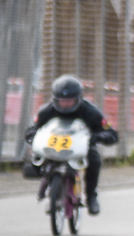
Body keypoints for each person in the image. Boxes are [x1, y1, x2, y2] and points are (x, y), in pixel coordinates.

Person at [25, 75, 118, 215]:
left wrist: (97, 137)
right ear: (55, 99)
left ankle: (91, 196)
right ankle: (49, 185)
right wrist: (33, 136)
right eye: (62, 101)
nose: (66, 104)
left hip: (79, 149)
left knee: (94, 159)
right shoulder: (47, 111)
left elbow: (111, 134)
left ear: (78, 99)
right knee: (34, 158)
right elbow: (32, 128)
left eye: (70, 101)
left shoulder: (90, 111)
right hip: (53, 149)